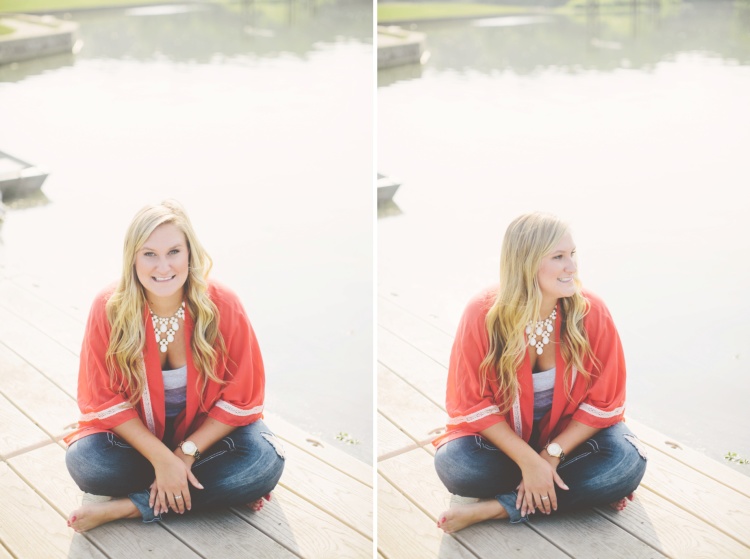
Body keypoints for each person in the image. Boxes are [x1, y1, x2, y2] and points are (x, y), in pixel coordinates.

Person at [64, 200, 285, 532]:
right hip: (138, 444)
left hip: (205, 440)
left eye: (173, 252)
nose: (163, 266)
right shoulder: (109, 307)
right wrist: (161, 458)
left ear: (189, 254)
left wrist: (184, 454)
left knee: (263, 462)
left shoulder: (222, 305)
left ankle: (131, 507)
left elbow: (242, 396)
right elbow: (103, 397)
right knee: (89, 464)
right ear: (133, 258)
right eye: (149, 253)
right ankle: (196, 487)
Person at [433, 212, 647, 533]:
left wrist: (550, 456)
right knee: (458, 466)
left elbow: (605, 402)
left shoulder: (591, 310)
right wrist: (529, 461)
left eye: (572, 255)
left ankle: (497, 508)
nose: (572, 267)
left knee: (626, 463)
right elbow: (472, 402)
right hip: (505, 446)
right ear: (527, 262)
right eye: (558, 257)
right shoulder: (483, 312)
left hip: (569, 442)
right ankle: (575, 489)